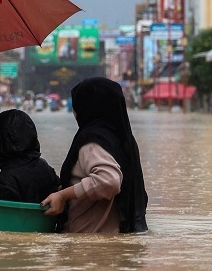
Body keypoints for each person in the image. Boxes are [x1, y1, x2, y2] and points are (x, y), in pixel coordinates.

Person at [41, 77, 148, 234]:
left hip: (85, 246)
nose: (74, 111)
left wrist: (62, 196)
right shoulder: (123, 141)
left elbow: (109, 181)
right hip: (119, 243)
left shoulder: (92, 143)